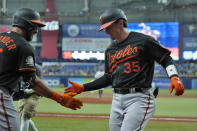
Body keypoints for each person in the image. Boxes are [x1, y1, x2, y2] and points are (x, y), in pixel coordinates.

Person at [64, 8, 184, 131]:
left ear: (120, 23)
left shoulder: (144, 41)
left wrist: (174, 77)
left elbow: (165, 58)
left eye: (108, 27)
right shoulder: (110, 50)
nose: (106, 32)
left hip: (139, 98)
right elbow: (108, 78)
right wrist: (84, 88)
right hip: (117, 99)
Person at [0, 8, 82, 131]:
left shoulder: (1, 37)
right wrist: (59, 98)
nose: (36, 31)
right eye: (35, 26)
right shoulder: (23, 46)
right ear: (26, 24)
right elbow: (32, 81)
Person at [18, 64, 42, 131]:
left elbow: (39, 84)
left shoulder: (37, 68)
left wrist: (28, 90)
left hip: (34, 94)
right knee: (23, 116)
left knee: (25, 117)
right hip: (23, 94)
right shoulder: (19, 66)